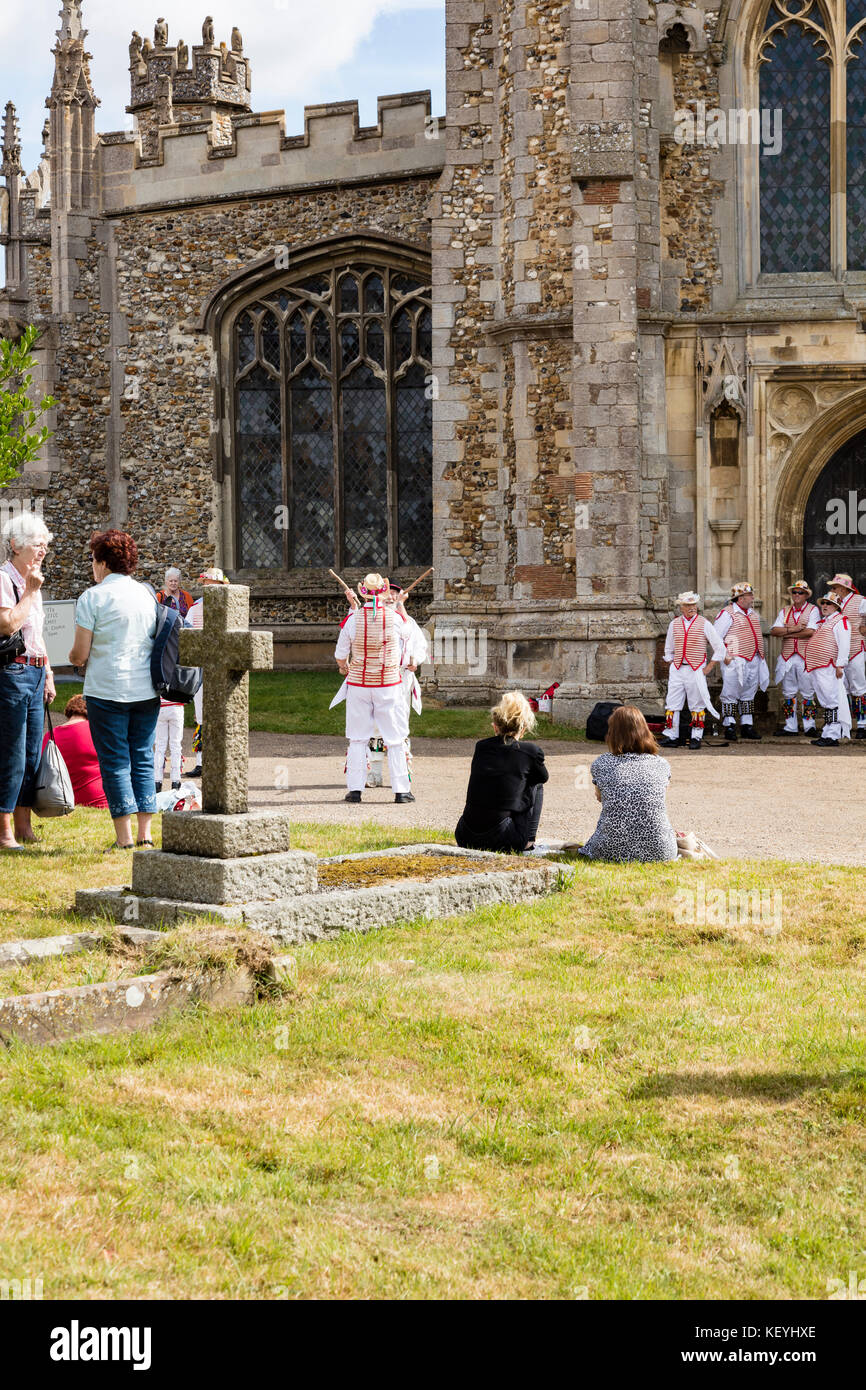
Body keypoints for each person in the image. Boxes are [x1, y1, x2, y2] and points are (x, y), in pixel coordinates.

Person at [68, 530, 160, 850]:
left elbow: (80, 654)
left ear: (103, 563)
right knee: (143, 758)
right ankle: (146, 835)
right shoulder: (147, 594)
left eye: (93, 560)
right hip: (146, 690)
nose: (92, 566)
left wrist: (72, 658)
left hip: (107, 690)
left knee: (115, 761)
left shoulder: (92, 597)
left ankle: (123, 840)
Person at [0, 512, 56, 850]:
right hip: (11, 672)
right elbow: (7, 624)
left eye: (46, 545)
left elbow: (38, 635)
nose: (43, 550)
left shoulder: (33, 582)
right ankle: (4, 827)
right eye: (37, 544)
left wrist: (48, 672)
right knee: (11, 753)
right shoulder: (5, 580)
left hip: (34, 672)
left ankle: (24, 824)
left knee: (32, 751)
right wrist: (30, 594)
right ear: (14, 546)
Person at [333, 573, 414, 804]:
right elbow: (406, 641)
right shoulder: (395, 619)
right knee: (395, 738)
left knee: (358, 738)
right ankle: (401, 791)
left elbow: (340, 655)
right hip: (388, 684)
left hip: (359, 684)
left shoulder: (353, 619)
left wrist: (345, 667)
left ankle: (355, 790)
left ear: (364, 593)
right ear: (383, 591)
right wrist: (400, 606)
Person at [580, 705, 677, 863]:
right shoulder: (661, 764)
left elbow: (600, 797)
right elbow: (660, 797)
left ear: (612, 734)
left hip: (610, 849)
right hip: (660, 850)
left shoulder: (602, 763)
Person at [455, 691, 547, 852]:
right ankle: (529, 842)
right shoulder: (530, 751)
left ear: (495, 726)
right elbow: (543, 777)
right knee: (535, 783)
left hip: (465, 835)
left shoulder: (481, 747)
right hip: (503, 838)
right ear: (524, 727)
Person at [660, 591, 727, 750]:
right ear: (681, 607)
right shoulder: (674, 624)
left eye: (694, 605)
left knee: (697, 704)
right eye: (688, 605)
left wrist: (709, 667)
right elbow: (669, 648)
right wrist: (671, 663)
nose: (692, 608)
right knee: (672, 703)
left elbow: (720, 648)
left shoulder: (704, 623)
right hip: (678, 668)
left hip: (695, 668)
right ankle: (671, 735)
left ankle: (696, 736)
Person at [183, 567, 230, 778]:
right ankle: (202, 761)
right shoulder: (196, 609)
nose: (208, 588)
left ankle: (222, 759)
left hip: (220, 666)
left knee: (222, 714)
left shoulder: (229, 607)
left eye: (212, 584)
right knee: (202, 716)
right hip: (203, 667)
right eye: (207, 585)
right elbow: (188, 636)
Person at [714, 581, 769, 741]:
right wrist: (724, 656)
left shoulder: (752, 613)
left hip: (753, 657)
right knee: (730, 692)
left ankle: (747, 725)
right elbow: (715, 636)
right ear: (740, 598)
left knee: (749, 693)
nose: (752, 597)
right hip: (735, 658)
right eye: (749, 595)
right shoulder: (727, 613)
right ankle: (729, 725)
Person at [770, 581, 820, 736]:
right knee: (788, 693)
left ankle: (809, 726)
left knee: (808, 693)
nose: (797, 595)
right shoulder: (785, 611)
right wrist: (794, 629)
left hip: (805, 656)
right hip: (788, 656)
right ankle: (790, 726)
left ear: (806, 595)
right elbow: (774, 631)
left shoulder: (813, 610)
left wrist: (787, 633)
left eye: (800, 593)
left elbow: (810, 632)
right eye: (795, 592)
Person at [41, 695, 108, 808]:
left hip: (60, 799)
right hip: (99, 799)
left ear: (69, 712)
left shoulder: (49, 736)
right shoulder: (97, 731)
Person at [804, 593, 851, 747]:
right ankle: (827, 732)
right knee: (826, 700)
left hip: (830, 666)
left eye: (828, 603)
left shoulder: (840, 621)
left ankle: (833, 735)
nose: (824, 606)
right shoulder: (824, 622)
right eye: (823, 603)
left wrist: (840, 665)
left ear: (836, 606)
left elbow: (844, 644)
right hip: (819, 666)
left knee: (832, 700)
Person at [827, 574, 866, 740]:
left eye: (834, 587)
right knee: (842, 688)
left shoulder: (860, 600)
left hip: (856, 648)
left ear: (843, 588)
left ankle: (863, 725)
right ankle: (846, 724)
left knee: (858, 687)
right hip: (838, 652)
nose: (832, 590)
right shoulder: (835, 602)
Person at [154, 694, 184, 791]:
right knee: (176, 746)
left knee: (159, 746)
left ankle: (157, 781)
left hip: (161, 706)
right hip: (176, 705)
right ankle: (175, 781)